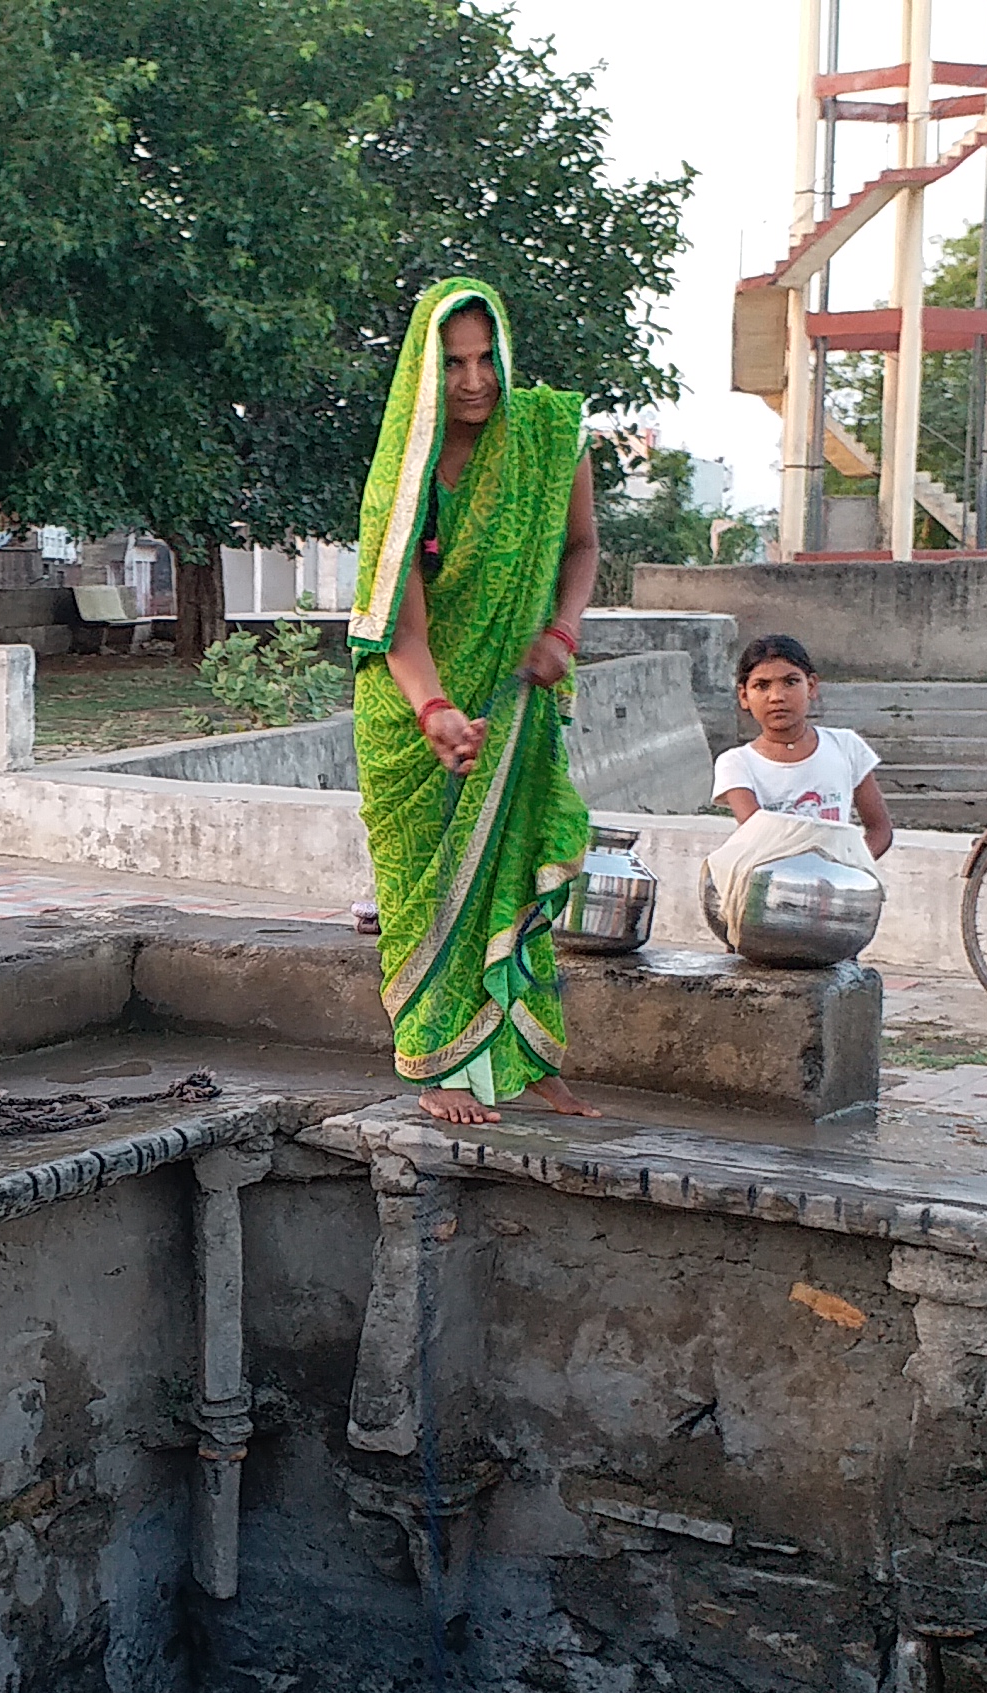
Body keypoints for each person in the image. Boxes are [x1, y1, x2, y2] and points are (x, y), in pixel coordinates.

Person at [349, 277, 606, 1127]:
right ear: (427, 371)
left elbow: (582, 547)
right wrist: (435, 717)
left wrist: (561, 634)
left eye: (485, 356)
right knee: (428, 894)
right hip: (417, 714)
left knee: (516, 865)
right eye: (453, 362)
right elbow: (403, 633)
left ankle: (526, 1060)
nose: (473, 379)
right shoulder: (403, 479)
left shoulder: (548, 438)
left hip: (519, 697)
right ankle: (439, 1066)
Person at [712, 634, 894, 857]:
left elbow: (880, 829)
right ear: (744, 696)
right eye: (762, 686)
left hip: (836, 884)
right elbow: (757, 836)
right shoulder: (736, 763)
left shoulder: (846, 746)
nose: (777, 697)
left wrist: (849, 868)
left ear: (811, 686)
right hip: (770, 884)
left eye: (790, 682)